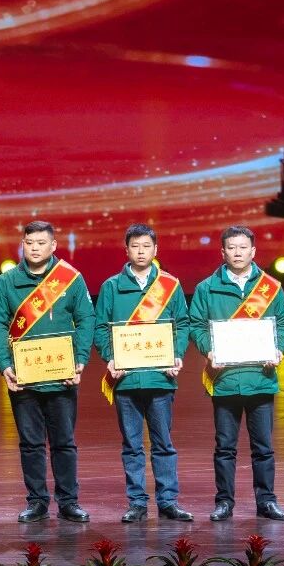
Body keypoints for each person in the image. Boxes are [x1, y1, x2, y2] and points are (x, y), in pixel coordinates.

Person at [0, 220, 96, 523]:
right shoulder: (7, 282)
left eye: (41, 243)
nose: (34, 248)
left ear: (53, 246)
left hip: (62, 377)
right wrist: (4, 365)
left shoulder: (70, 279)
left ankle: (69, 501)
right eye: (29, 242)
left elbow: (87, 319)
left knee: (64, 442)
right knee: (31, 443)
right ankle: (36, 501)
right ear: (22, 244)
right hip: (24, 378)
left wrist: (80, 359)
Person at [188, 225, 284, 522]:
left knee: (264, 448)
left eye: (243, 247)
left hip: (261, 379)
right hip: (225, 380)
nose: (237, 253)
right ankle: (224, 502)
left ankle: (267, 501)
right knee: (225, 447)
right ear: (223, 252)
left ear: (253, 251)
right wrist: (210, 350)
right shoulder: (207, 288)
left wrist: (278, 349)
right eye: (232, 248)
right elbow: (197, 325)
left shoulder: (270, 287)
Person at [94, 224, 194, 523]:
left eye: (146, 246)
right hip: (126, 379)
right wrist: (111, 357)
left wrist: (176, 354)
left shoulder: (170, 285)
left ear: (155, 250)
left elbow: (183, 324)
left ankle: (168, 501)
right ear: (126, 250)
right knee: (132, 446)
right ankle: (137, 503)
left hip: (160, 378)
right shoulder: (112, 287)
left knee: (163, 444)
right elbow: (101, 328)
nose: (141, 251)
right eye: (135, 246)